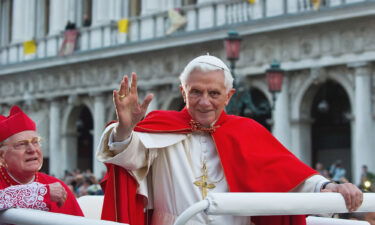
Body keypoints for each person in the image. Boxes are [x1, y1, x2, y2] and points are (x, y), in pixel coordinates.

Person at [96, 55, 363, 225]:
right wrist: (125, 128)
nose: (204, 102)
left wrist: (328, 186)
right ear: (182, 92)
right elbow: (126, 154)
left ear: (229, 96)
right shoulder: (157, 128)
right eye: (196, 92)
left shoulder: (247, 130)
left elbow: (286, 174)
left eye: (214, 93)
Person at [0, 106, 83, 216]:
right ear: (2, 155)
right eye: (21, 144)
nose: (32, 149)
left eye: (35, 142)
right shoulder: (49, 190)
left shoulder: (58, 187)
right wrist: (41, 194)